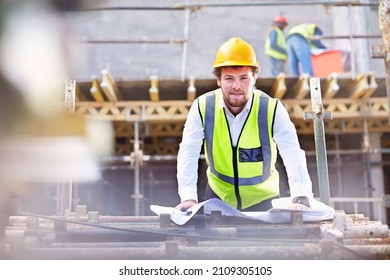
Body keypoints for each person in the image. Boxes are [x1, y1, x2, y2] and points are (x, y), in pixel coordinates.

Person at [175, 37, 313, 212]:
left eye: (243, 78)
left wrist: (301, 195)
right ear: (218, 80)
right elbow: (188, 151)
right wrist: (188, 197)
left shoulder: (271, 108)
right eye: (229, 78)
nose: (236, 86)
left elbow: (292, 151)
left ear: (254, 78)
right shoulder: (202, 107)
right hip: (218, 198)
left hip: (264, 200)